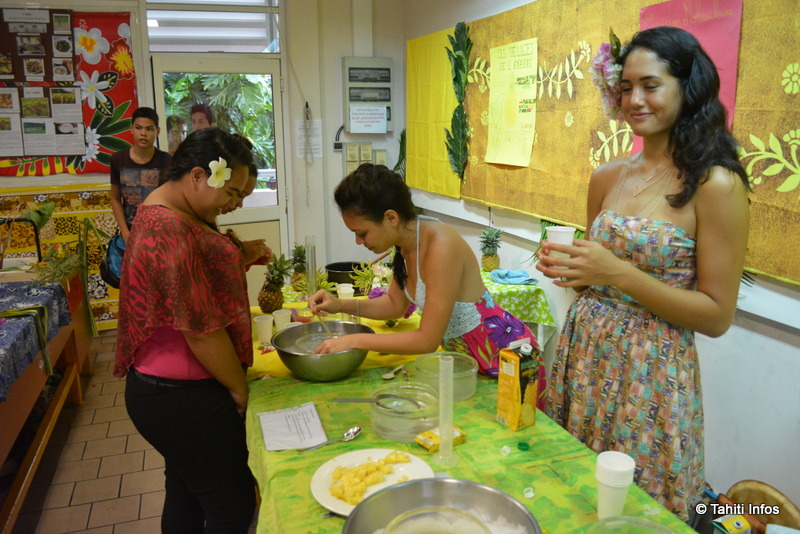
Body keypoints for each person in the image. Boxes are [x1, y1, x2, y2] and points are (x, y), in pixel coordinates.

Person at [535, 26, 750, 520]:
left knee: (639, 507)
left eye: (650, 85)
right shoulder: (608, 175)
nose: (634, 99)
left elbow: (717, 315)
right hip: (585, 352)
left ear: (687, 89)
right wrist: (574, 270)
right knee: (574, 496)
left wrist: (616, 273)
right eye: (625, 87)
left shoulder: (715, 184)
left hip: (652, 373)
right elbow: (594, 275)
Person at [113, 127, 256, 533]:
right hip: (182, 397)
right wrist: (239, 390)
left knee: (186, 496)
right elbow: (200, 330)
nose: (233, 204)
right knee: (231, 505)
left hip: (166, 392)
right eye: (230, 194)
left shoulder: (167, 212)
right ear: (197, 176)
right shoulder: (168, 227)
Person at [310, 163, 546, 405]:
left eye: (362, 233)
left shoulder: (440, 246)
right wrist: (339, 305)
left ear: (391, 218)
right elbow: (394, 305)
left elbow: (427, 340)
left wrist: (353, 341)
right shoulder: (406, 245)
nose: (359, 242)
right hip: (468, 358)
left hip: (504, 356)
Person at [109, 106, 172, 243]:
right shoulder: (118, 159)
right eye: (138, 128)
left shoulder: (168, 161)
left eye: (149, 129)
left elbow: (172, 200)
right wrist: (125, 233)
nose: (143, 133)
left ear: (157, 131)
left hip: (160, 235)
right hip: (130, 234)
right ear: (131, 129)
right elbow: (115, 198)